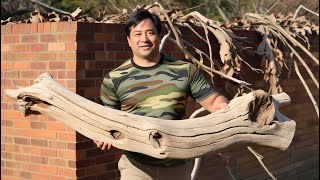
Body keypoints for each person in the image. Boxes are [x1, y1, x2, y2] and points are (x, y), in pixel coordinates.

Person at [94, 9, 229, 180]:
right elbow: (105, 120)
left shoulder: (184, 70)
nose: (144, 39)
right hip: (136, 167)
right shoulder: (114, 79)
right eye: (137, 34)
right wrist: (102, 135)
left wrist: (223, 107)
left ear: (158, 36)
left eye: (150, 33)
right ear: (129, 40)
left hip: (176, 166)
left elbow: (214, 100)